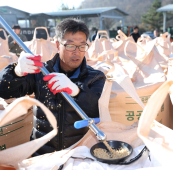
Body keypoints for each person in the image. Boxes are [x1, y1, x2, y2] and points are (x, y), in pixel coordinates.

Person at [0, 18, 106, 156]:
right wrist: (16, 72)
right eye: (70, 45)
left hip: (79, 155)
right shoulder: (41, 73)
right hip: (42, 154)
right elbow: (5, 91)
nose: (77, 51)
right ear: (57, 44)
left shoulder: (95, 77)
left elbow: (98, 112)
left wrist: (77, 91)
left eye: (82, 46)